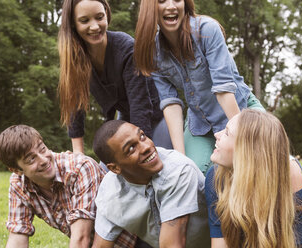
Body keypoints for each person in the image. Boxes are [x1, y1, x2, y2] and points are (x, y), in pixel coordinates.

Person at [133, 0, 264, 174]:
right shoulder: (152, 51)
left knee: (265, 161)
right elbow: (170, 103)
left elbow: (223, 89)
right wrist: (181, 159)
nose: (171, 6)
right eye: (162, 1)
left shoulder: (207, 30)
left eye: (177, 0)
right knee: (193, 175)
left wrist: (240, 139)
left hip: (240, 112)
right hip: (200, 124)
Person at [58, 0, 172, 155]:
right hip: (125, 120)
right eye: (84, 20)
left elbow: (141, 107)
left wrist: (140, 149)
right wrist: (78, 154)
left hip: (156, 117)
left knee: (151, 166)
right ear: (73, 24)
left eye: (99, 17)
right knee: (109, 172)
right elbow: (75, 107)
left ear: (106, 13)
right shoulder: (75, 58)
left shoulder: (126, 48)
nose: (95, 26)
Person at [0, 125, 136, 248]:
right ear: (17, 170)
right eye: (32, 159)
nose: (43, 160)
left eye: (42, 149)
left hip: (138, 241)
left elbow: (81, 238)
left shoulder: (80, 168)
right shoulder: (19, 184)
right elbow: (17, 236)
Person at [204, 109, 302, 247]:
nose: (216, 134)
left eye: (227, 133)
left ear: (247, 150)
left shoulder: (291, 174)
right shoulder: (215, 178)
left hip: (296, 228)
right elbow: (220, 242)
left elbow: (296, 243)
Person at [91, 120, 210, 248]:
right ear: (115, 169)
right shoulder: (109, 192)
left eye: (142, 136)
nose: (146, 146)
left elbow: (171, 245)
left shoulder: (179, 170)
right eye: (131, 148)